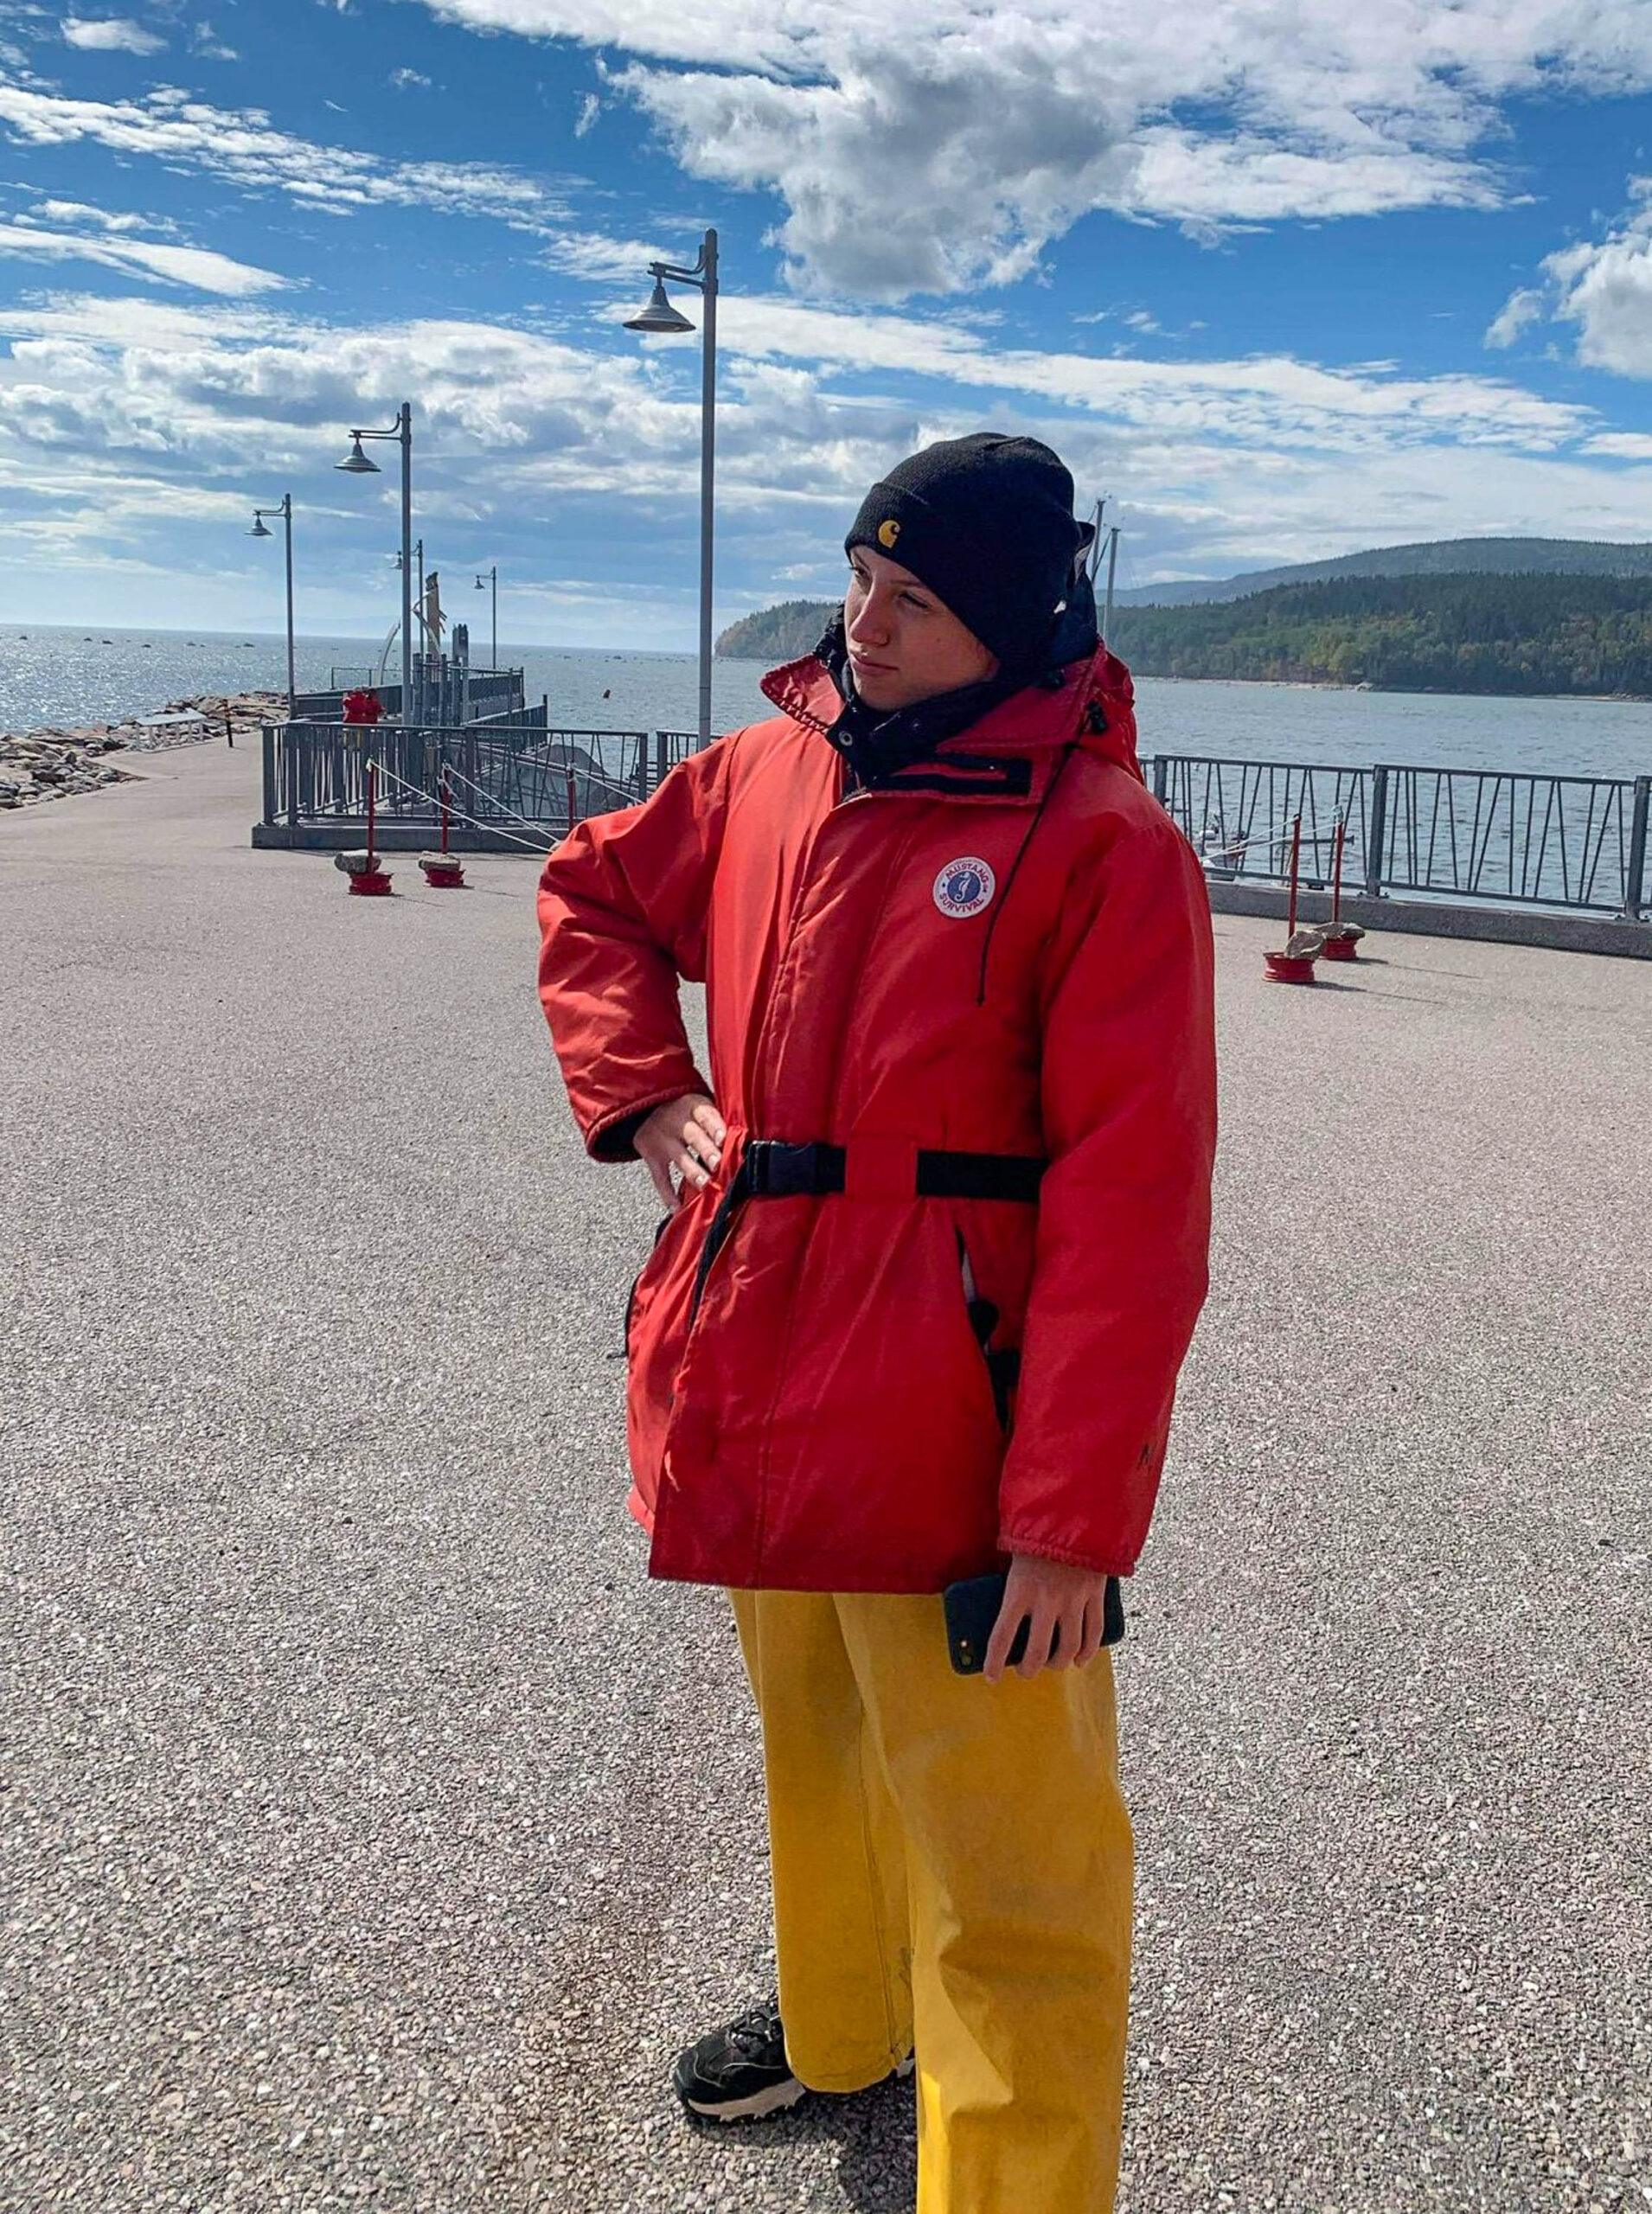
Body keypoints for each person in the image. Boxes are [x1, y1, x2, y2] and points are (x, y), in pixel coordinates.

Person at [535, 433, 1217, 2212]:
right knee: (815, 1746)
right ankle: (843, 2030)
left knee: (1019, 1879)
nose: (865, 621)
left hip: (957, 1432)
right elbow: (591, 890)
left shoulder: (1102, 848)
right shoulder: (769, 771)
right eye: (859, 577)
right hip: (760, 1375)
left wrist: (1069, 1517)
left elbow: (1132, 1204)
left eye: (911, 597)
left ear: (1012, 619)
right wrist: (644, 1092)